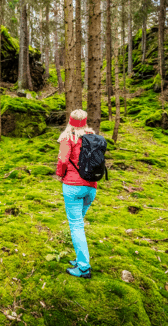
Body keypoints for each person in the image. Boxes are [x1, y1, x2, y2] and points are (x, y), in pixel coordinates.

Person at [55, 109, 97, 279]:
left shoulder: (68, 137)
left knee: (76, 226)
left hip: (73, 186)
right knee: (78, 224)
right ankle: (81, 259)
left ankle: (83, 268)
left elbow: (63, 160)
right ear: (85, 121)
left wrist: (60, 174)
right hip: (91, 187)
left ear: (70, 121)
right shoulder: (93, 138)